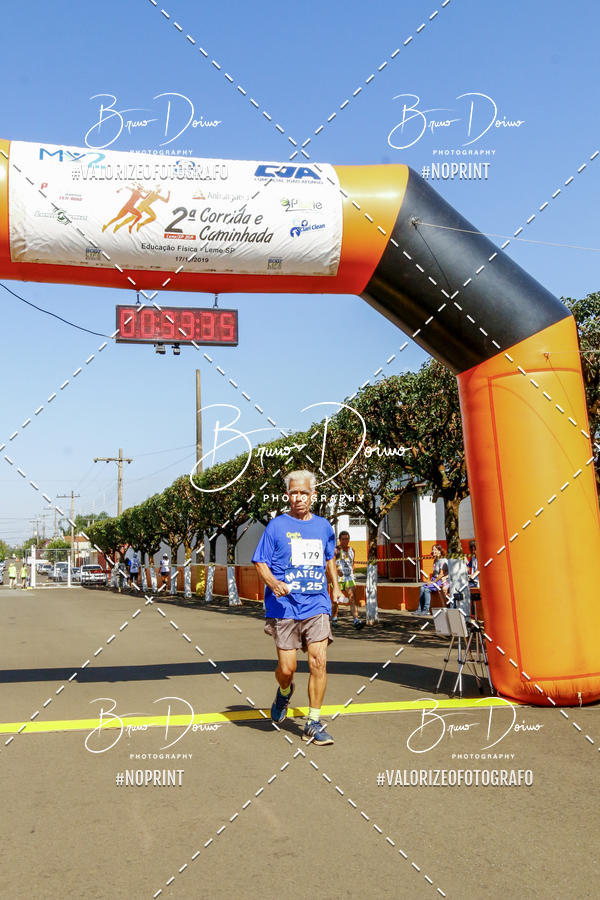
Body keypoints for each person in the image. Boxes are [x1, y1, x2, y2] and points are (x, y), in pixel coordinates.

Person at [252, 470, 343, 746]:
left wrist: (335, 587)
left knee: (318, 660)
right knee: (287, 668)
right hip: (284, 606)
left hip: (316, 603)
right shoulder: (276, 526)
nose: (299, 497)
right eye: (294, 493)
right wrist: (272, 582)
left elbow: (329, 559)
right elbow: (260, 561)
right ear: (287, 495)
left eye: (304, 493)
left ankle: (313, 723)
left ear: (313, 495)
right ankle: (284, 690)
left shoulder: (324, 527)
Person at [331, 531, 364, 630]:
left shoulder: (352, 550)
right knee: (336, 601)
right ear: (340, 540)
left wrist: (352, 573)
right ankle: (334, 618)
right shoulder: (336, 550)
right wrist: (336, 570)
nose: (346, 541)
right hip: (338, 578)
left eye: (347, 539)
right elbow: (330, 563)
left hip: (349, 577)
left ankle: (356, 620)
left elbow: (353, 563)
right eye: (343, 539)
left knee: (352, 597)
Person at [413, 544, 449, 615]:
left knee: (426, 590)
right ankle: (420, 609)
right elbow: (434, 573)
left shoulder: (443, 560)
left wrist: (432, 582)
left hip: (439, 580)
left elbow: (441, 574)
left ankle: (426, 610)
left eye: (435, 549)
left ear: (439, 551)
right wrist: (430, 580)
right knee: (422, 588)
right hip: (434, 579)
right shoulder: (435, 560)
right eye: (433, 549)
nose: (433, 551)